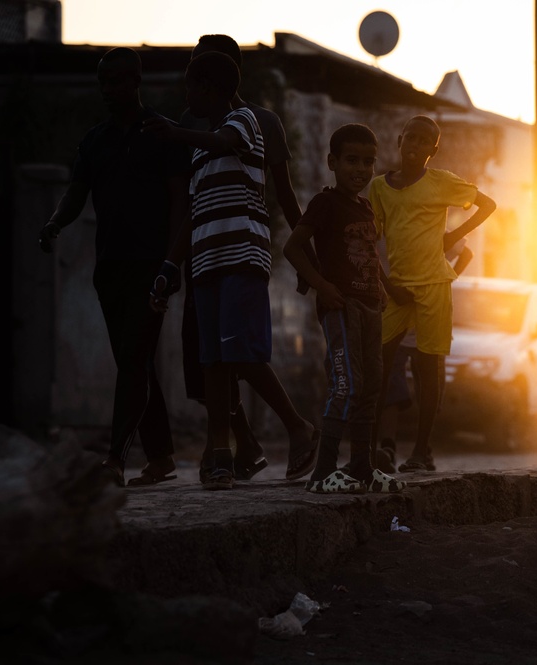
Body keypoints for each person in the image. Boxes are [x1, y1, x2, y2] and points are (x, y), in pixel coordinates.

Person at [145, 51, 318, 490]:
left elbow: (225, 143)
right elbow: (194, 211)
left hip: (242, 252)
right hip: (206, 260)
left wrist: (175, 133)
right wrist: (170, 266)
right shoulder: (201, 154)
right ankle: (220, 452)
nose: (187, 98)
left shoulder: (244, 122)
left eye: (191, 88)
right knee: (213, 361)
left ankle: (299, 428)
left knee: (241, 352)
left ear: (211, 88)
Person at [38, 48, 186, 487]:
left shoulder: (163, 133)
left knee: (134, 359)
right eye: (102, 82)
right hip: (110, 269)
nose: (107, 90)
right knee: (133, 360)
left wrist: (172, 262)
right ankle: (160, 458)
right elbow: (75, 192)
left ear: (135, 81)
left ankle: (116, 460)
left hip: (152, 267)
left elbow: (181, 201)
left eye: (115, 81)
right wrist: (54, 222)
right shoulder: (95, 141)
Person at [369, 115, 496, 472]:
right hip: (397, 290)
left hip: (434, 288)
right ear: (399, 139)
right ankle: (375, 448)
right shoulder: (380, 187)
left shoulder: (442, 183)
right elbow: (368, 240)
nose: (416, 146)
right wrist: (386, 283)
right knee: (379, 364)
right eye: (411, 138)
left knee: (428, 370)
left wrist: (453, 237)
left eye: (425, 142)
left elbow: (488, 204)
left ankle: (421, 452)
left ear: (434, 151)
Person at [283, 123, 405, 493]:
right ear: (332, 162)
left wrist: (384, 289)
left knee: (370, 389)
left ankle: (361, 468)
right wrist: (322, 286)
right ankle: (321, 474)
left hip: (370, 309)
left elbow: (370, 256)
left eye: (368, 162)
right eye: (352, 160)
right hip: (341, 307)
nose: (361, 169)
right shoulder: (324, 203)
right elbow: (293, 248)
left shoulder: (365, 207)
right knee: (345, 385)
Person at [374, 238, 472, 471]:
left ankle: (422, 450)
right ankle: (388, 448)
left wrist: (448, 279)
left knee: (427, 388)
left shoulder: (433, 230)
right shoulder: (385, 231)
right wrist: (388, 288)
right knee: (388, 385)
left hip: (427, 323)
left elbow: (466, 253)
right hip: (396, 321)